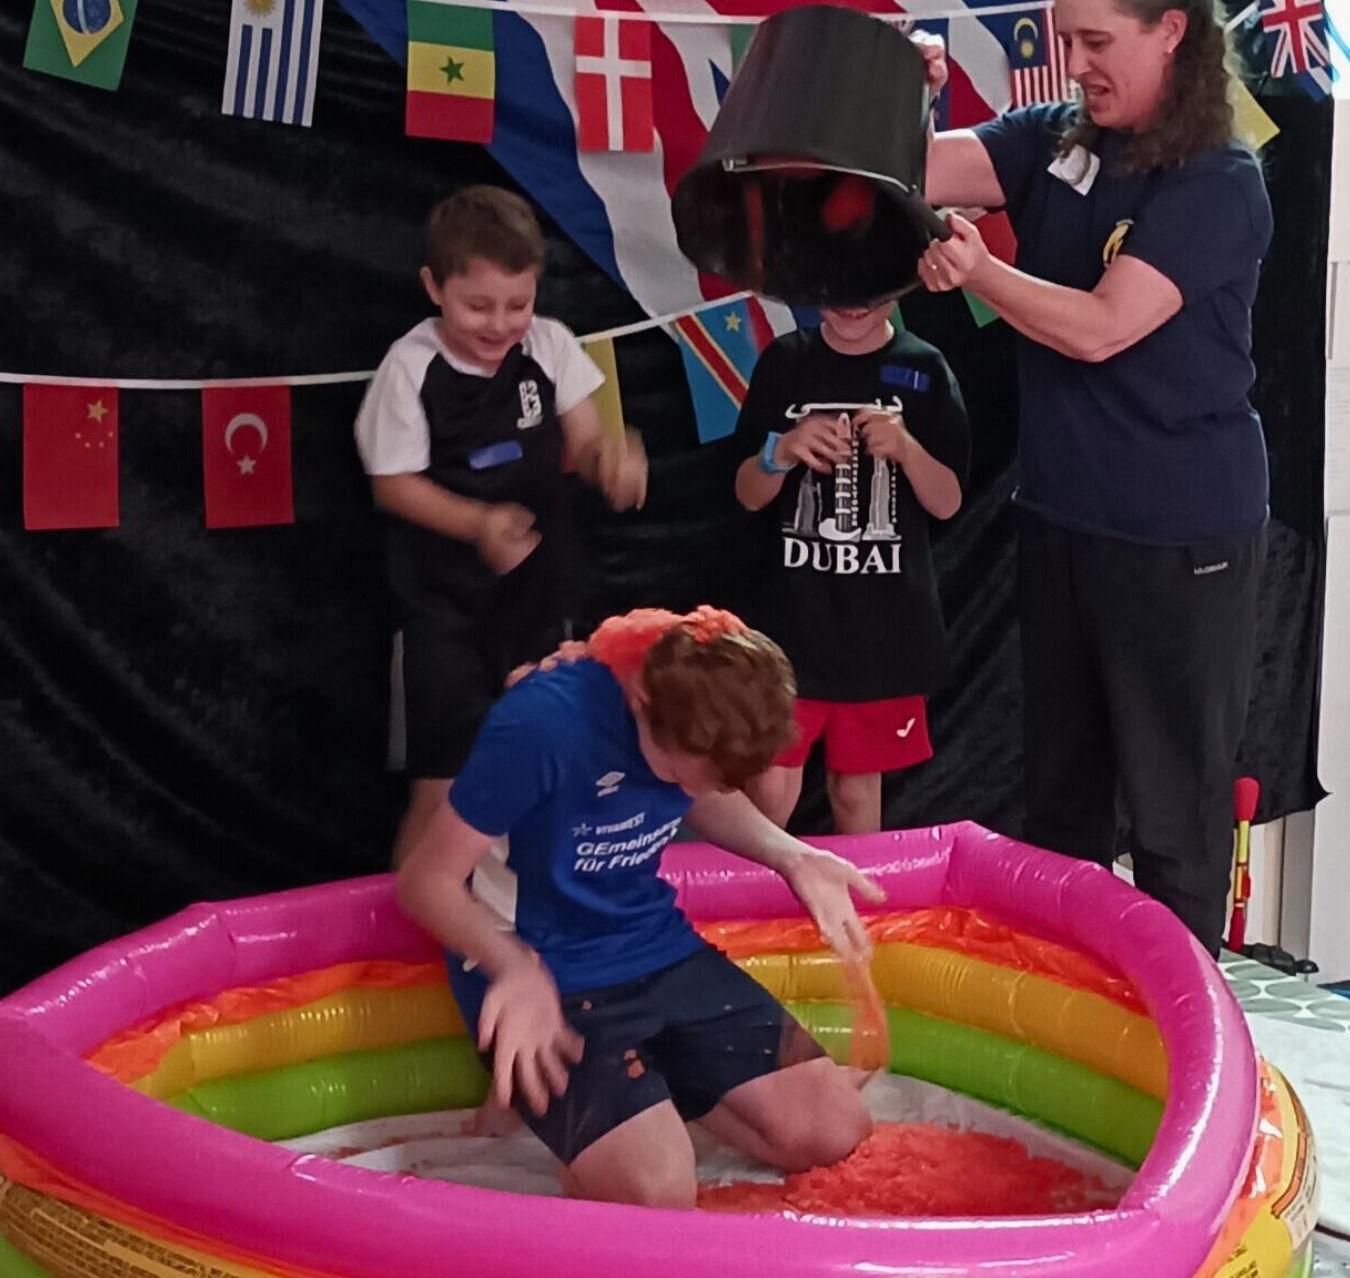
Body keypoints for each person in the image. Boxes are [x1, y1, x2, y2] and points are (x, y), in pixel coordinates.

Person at [912, 0, 1272, 951]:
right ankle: (1074, 1031)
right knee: (1061, 809)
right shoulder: (1056, 139)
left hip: (1178, 538)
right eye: (1064, 41)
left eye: (1097, 43)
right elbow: (912, 169)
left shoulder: (1220, 180)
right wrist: (901, 98)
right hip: (1064, 520)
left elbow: (1103, 327)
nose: (1073, 64)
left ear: (1172, 31)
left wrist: (982, 272)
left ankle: (1191, 1057)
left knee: (1173, 824)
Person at [394, 607, 882, 1209]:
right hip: (546, 968)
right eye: (684, 771)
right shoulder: (545, 724)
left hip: (653, 944)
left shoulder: (698, 684)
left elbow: (702, 786)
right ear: (643, 706)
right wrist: (513, 967)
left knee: (834, 1130)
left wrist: (792, 857)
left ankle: (642, 1090)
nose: (694, 791)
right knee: (658, 1192)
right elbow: (424, 881)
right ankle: (604, 1119)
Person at [354, 185, 648, 868]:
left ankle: (536, 926)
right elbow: (392, 485)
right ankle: (416, 941)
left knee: (548, 766)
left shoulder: (549, 345)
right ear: (434, 287)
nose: (499, 324)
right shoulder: (411, 366)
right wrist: (479, 522)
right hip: (444, 612)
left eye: (518, 305)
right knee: (442, 787)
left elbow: (584, 445)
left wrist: (616, 460)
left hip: (540, 606)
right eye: (477, 306)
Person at [731, 302, 970, 834]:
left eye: (868, 285)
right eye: (838, 286)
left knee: (859, 795)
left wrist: (907, 450)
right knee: (769, 788)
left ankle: (853, 917)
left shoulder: (923, 366)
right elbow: (746, 494)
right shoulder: (786, 359)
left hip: (880, 634)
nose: (854, 303)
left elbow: (949, 501)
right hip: (790, 628)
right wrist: (782, 451)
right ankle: (746, 914)